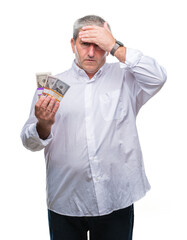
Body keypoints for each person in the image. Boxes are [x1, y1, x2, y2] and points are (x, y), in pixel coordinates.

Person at [21, 15, 167, 240]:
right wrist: (43, 125)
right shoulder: (51, 87)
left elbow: (158, 77)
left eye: (98, 45)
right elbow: (28, 142)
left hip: (116, 199)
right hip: (65, 202)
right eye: (84, 44)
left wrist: (115, 46)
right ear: (73, 45)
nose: (91, 52)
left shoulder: (127, 79)